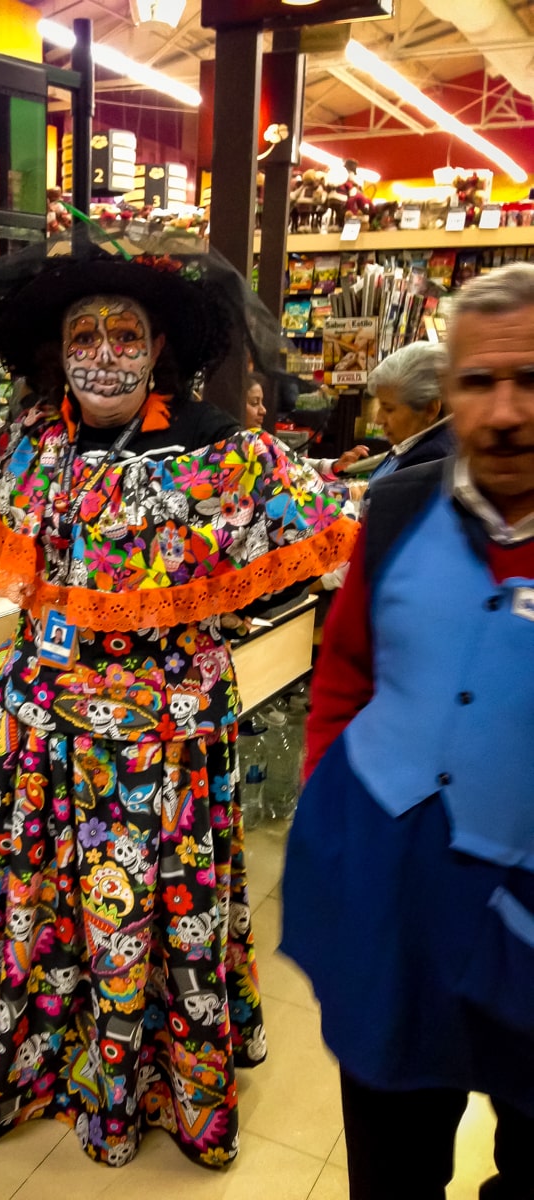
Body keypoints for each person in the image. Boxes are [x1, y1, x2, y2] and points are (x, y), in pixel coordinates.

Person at [0, 242, 358, 1168]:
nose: (105, 354)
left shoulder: (219, 448)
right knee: (31, 894)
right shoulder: (37, 441)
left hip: (159, 741)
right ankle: (33, 1051)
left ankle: (136, 1082)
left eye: (126, 335)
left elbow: (322, 537)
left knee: (143, 906)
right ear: (59, 350)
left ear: (159, 348)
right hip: (37, 729)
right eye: (85, 335)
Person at [279, 261, 534, 1199]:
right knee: (392, 1160)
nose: (505, 411)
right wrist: (331, 810)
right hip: (398, 913)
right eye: (479, 381)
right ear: (448, 396)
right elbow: (347, 669)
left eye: (530, 380)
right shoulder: (395, 509)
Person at [363, 338, 456, 488]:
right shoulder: (412, 448)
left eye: (389, 409)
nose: (378, 419)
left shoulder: (429, 463)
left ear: (430, 409)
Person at [244, 371, 369, 478]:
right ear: (237, 405)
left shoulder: (264, 441)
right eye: (254, 403)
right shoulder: (236, 445)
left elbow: (295, 464)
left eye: (262, 403)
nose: (263, 410)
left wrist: (335, 466)